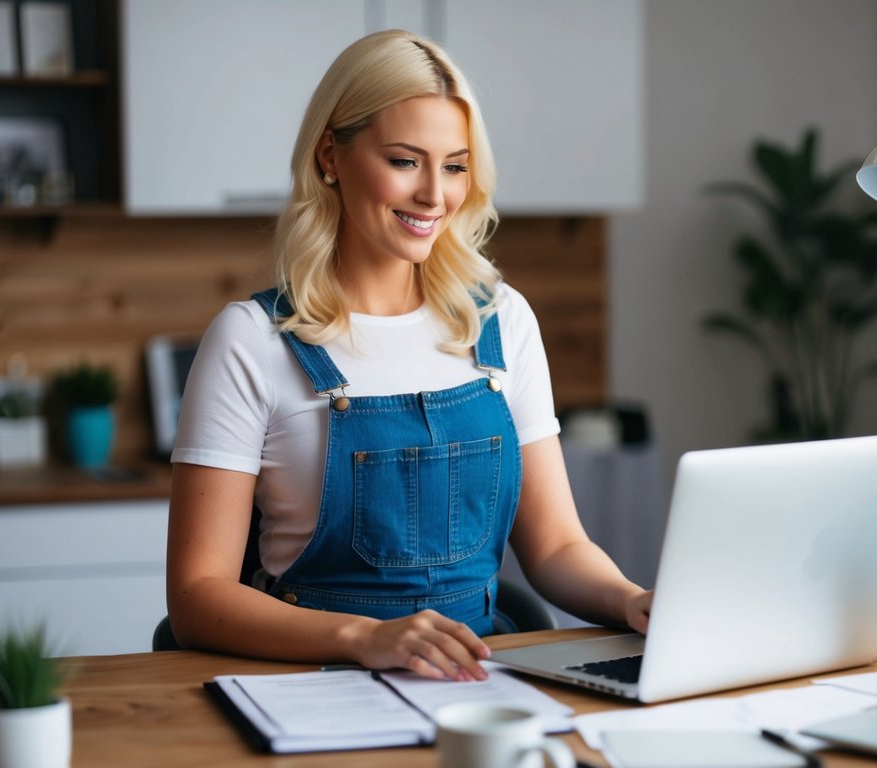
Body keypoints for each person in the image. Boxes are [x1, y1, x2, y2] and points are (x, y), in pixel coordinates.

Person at [166, 29, 652, 682]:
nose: (434, 195)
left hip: (481, 684)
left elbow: (557, 545)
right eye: (404, 160)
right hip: (314, 684)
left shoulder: (499, 319)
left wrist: (633, 601)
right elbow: (196, 596)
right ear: (330, 156)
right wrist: (365, 637)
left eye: (454, 165)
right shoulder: (251, 341)